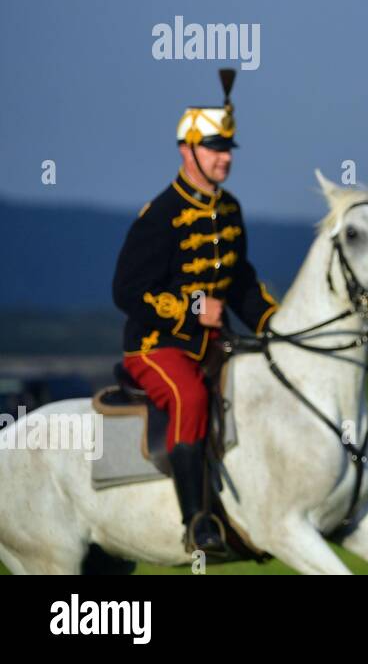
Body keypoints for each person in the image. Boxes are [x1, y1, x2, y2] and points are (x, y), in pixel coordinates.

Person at [111, 68, 279, 552]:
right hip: (155, 348)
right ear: (186, 150)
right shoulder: (160, 214)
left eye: (227, 150)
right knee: (191, 398)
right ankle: (197, 522)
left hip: (216, 343)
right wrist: (192, 310)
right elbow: (126, 289)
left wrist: (274, 324)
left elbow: (241, 280)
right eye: (213, 149)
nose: (223, 158)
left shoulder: (229, 210)